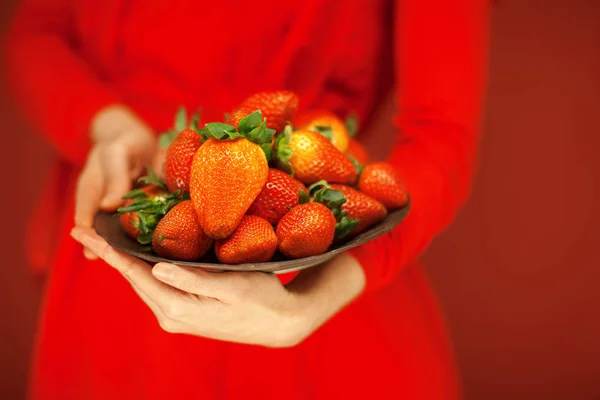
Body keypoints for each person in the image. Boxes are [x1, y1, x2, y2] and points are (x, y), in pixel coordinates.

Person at [4, 0, 489, 398]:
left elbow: (441, 137)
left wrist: (310, 302)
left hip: (314, 254)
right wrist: (113, 128)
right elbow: (37, 32)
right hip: (138, 230)